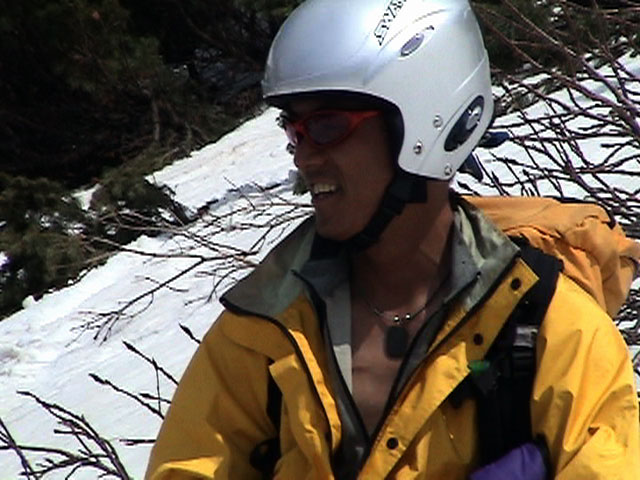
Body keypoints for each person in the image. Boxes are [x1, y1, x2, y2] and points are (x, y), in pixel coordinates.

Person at [146, 0, 640, 478]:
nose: (302, 157)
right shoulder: (263, 333)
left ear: (426, 124)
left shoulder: (553, 329)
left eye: (327, 126)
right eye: (293, 130)